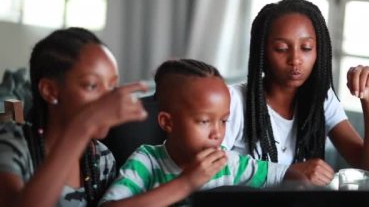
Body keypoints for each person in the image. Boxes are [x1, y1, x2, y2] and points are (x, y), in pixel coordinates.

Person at [99, 59, 308, 207]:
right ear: (167, 122)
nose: (217, 132)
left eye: (224, 120)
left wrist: (304, 180)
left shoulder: (228, 163)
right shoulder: (147, 161)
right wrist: (187, 183)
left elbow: (282, 174)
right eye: (204, 121)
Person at [222, 0, 369, 185]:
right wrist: (285, 172)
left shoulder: (321, 99)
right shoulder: (234, 102)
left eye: (306, 48)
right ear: (262, 52)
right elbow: (208, 166)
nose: (295, 59)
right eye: (281, 49)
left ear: (318, 51)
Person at [0, 27, 148, 207]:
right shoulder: (12, 145)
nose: (109, 100)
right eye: (92, 86)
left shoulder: (102, 159)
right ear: (50, 91)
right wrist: (83, 126)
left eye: (112, 86)